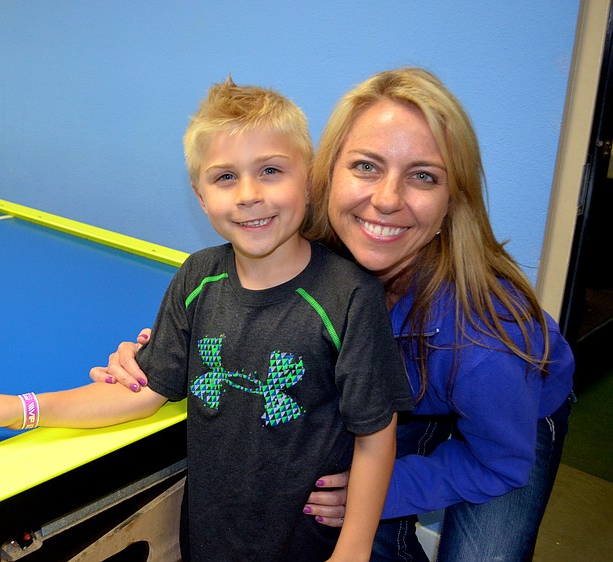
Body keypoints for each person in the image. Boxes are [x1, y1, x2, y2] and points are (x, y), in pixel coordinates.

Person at [92, 67, 575, 562]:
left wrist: (390, 489)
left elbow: (499, 462)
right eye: (366, 166)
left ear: (453, 200)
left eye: (423, 176)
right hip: (399, 400)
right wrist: (155, 355)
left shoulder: (485, 346)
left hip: (506, 424)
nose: (385, 201)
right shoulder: (307, 239)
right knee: (345, 514)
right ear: (326, 173)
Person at [0, 77, 413, 562]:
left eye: (270, 170)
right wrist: (20, 408)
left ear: (309, 180)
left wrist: (352, 550)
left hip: (307, 547)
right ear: (200, 195)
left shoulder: (350, 296)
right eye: (225, 177)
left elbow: (376, 432)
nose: (248, 194)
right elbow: (142, 392)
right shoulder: (197, 278)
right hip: (209, 541)